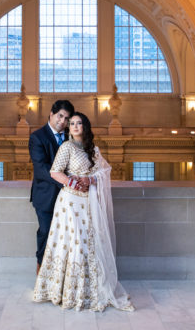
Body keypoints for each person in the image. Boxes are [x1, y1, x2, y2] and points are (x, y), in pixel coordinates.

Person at [33, 112, 134, 312]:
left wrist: (91, 180)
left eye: (79, 123)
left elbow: (104, 171)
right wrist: (73, 182)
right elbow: (55, 172)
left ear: (85, 127)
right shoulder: (66, 147)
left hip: (89, 203)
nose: (75, 126)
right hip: (70, 203)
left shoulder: (93, 150)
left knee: (90, 243)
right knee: (73, 243)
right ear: (69, 128)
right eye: (72, 124)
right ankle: (69, 291)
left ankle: (90, 290)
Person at [29, 100, 75, 275]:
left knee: (67, 236)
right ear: (51, 114)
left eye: (66, 118)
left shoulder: (72, 136)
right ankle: (41, 268)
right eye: (60, 116)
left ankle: (63, 274)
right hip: (46, 196)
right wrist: (67, 180)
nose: (62, 121)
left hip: (70, 197)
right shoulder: (37, 137)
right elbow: (41, 168)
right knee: (46, 231)